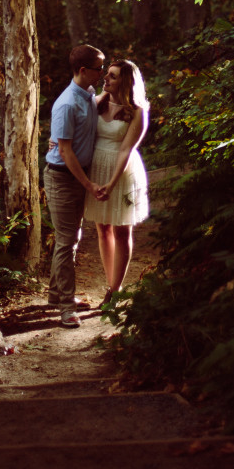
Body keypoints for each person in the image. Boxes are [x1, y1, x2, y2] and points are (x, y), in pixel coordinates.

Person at [43, 44, 105, 329]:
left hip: (74, 177)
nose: (102, 73)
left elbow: (94, 107)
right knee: (67, 241)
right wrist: (90, 185)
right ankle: (66, 308)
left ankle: (56, 294)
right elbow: (65, 152)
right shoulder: (67, 103)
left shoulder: (89, 95)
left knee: (70, 238)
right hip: (62, 178)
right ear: (83, 71)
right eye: (99, 68)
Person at [83, 59, 150, 303]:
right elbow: (78, 131)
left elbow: (126, 150)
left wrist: (111, 184)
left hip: (123, 172)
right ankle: (110, 282)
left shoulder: (138, 111)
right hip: (97, 168)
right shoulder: (98, 102)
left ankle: (115, 289)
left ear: (125, 81)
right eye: (107, 75)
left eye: (112, 76)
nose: (105, 78)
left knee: (122, 230)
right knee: (103, 229)